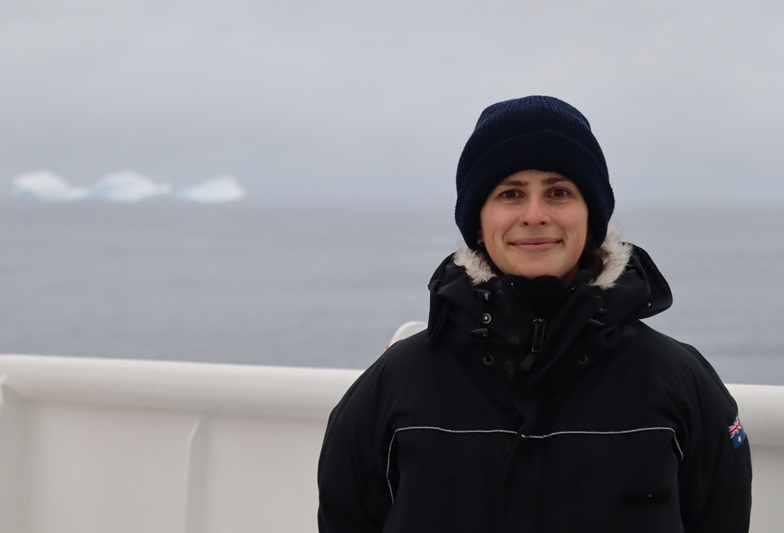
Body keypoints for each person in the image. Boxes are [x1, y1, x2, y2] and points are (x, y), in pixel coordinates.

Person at [317, 95, 752, 532]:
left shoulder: (677, 382)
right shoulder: (394, 386)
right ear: (478, 224)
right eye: (510, 193)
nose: (535, 215)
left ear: (591, 216)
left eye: (559, 192)